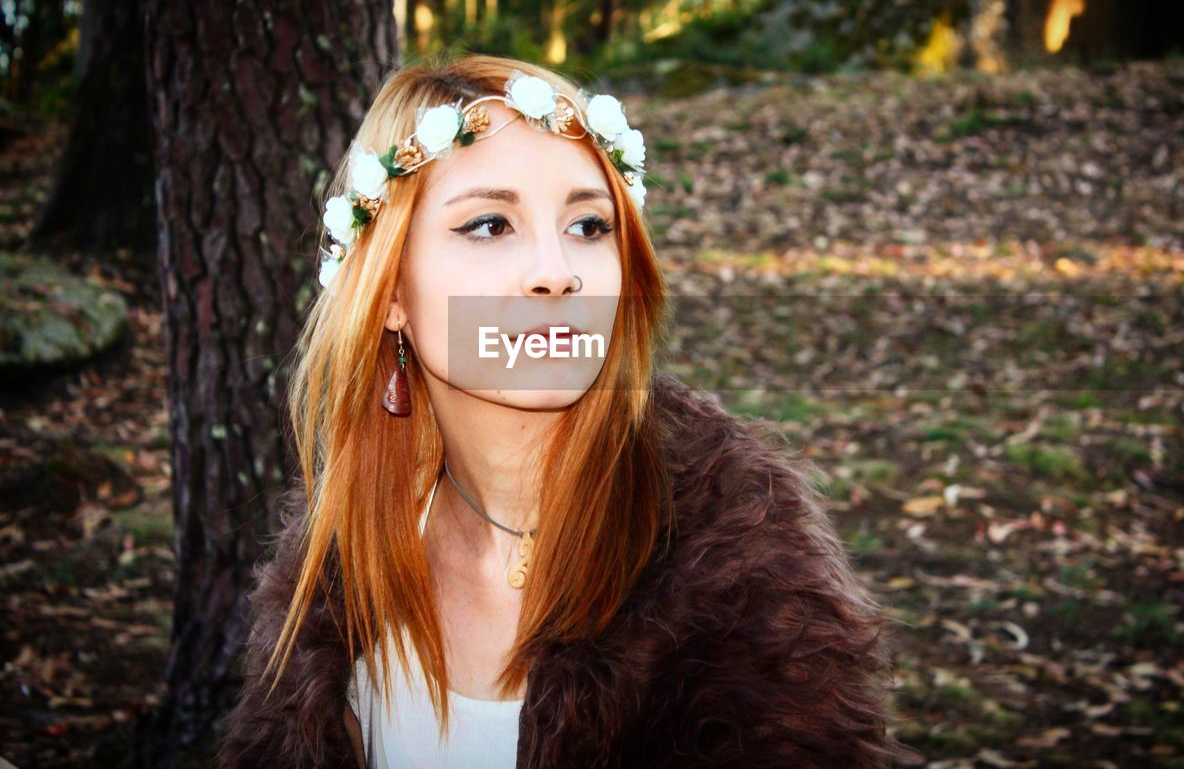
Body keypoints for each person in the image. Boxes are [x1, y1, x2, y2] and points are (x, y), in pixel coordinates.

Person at [216, 54, 921, 768]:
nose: (558, 271)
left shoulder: (737, 563)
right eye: (490, 224)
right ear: (391, 291)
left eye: (589, 225)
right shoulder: (338, 570)